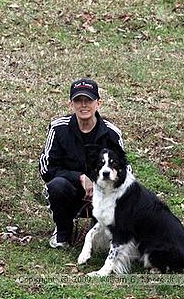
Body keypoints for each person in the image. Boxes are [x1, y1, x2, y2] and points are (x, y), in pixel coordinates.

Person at [39, 78, 126, 248]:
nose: (83, 105)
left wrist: (99, 185)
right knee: (56, 185)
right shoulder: (58, 129)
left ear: (98, 103)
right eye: (78, 100)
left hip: (105, 194)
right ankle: (63, 231)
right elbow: (46, 168)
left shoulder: (111, 133)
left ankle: (106, 231)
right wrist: (79, 177)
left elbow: (124, 170)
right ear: (71, 104)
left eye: (89, 100)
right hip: (70, 191)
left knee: (102, 243)